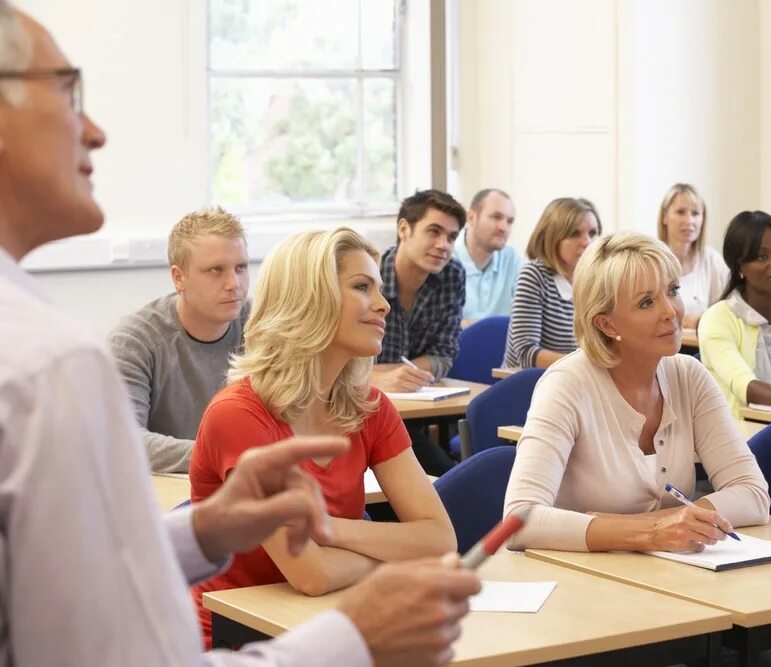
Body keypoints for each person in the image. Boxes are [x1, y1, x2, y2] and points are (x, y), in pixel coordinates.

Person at [0, 4, 480, 664]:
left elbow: (57, 577)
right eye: (65, 90)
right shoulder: (50, 362)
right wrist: (356, 635)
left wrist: (200, 531)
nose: (96, 130)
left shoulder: (37, 350)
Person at [190, 228, 457, 646]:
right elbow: (311, 574)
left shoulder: (370, 407)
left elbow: (439, 539)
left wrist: (328, 531)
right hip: (238, 636)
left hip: (328, 621)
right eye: (361, 287)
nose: (384, 305)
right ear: (310, 300)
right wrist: (391, 561)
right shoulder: (238, 415)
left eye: (379, 289)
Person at [503, 232, 770, 552]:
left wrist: (669, 523)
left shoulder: (690, 375)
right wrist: (654, 532)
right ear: (607, 325)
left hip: (666, 577)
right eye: (646, 302)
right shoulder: (567, 384)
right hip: (580, 583)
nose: (671, 311)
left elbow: (753, 493)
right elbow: (520, 519)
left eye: (672, 291)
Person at [109, 207, 251, 473]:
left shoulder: (262, 325)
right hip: (168, 494)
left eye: (241, 268)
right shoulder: (134, 341)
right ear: (178, 277)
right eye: (215, 270)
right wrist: (226, 457)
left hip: (245, 484)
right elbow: (124, 441)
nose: (234, 283)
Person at [370, 189, 466, 475]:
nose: (443, 245)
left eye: (451, 237)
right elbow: (337, 361)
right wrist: (383, 378)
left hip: (413, 412)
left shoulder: (452, 275)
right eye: (433, 232)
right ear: (403, 229)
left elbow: (444, 354)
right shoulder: (368, 275)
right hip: (361, 412)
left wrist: (401, 375)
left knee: (447, 475)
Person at [698, 211, 771, 417]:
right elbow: (747, 388)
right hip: (740, 436)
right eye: (762, 256)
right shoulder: (717, 319)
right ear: (740, 266)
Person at [503, 197, 600, 369]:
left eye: (592, 233)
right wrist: (589, 365)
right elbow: (526, 354)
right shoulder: (534, 275)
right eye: (575, 234)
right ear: (552, 238)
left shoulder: (595, 281)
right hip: (526, 386)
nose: (587, 242)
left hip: (574, 383)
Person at [656, 183, 728, 329]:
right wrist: (694, 321)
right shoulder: (653, 260)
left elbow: (727, 309)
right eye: (681, 212)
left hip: (702, 344)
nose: (689, 221)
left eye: (695, 213)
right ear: (664, 217)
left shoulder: (711, 259)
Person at [453, 188, 523, 323]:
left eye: (510, 221)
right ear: (471, 218)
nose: (504, 227)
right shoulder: (446, 258)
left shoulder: (512, 259)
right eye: (496, 217)